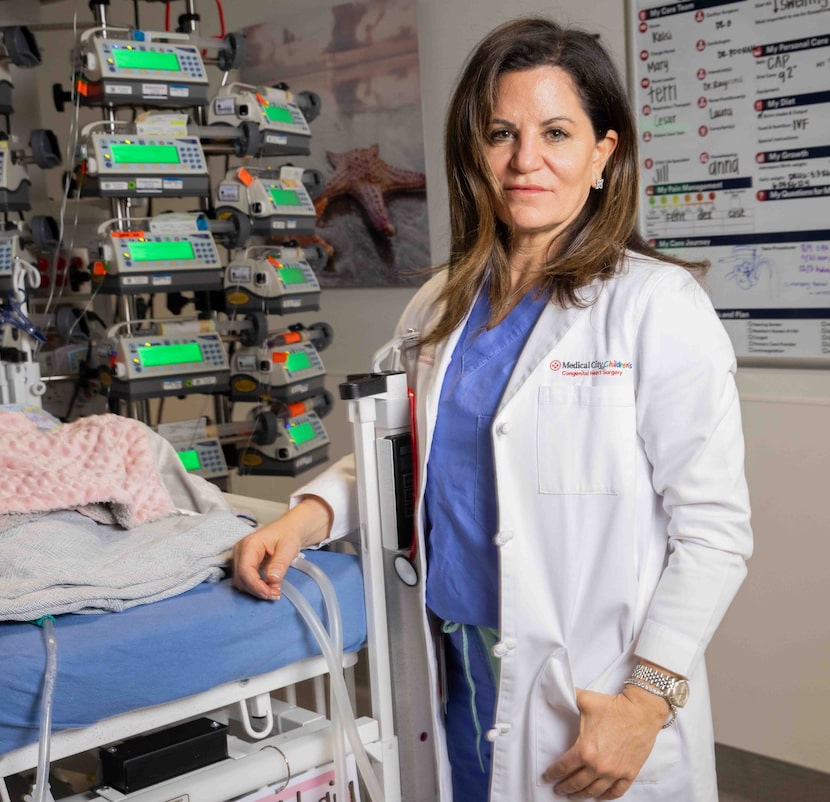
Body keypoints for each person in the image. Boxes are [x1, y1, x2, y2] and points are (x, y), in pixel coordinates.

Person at [232, 16, 753, 802]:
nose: (525, 160)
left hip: (588, 683)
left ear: (604, 152)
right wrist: (304, 517)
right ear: (473, 150)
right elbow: (415, 453)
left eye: (556, 132)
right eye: (501, 133)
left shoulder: (656, 306)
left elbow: (714, 532)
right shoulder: (442, 302)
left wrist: (646, 703)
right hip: (452, 660)